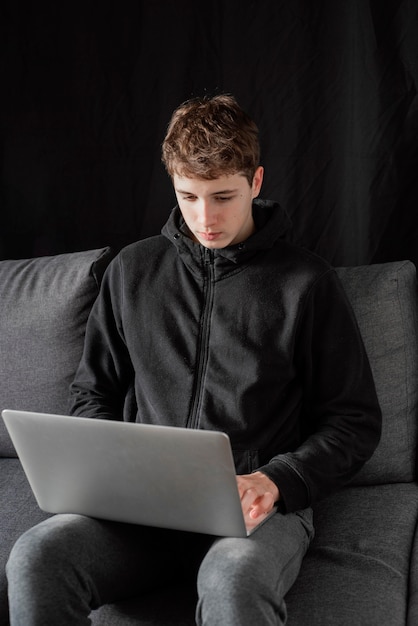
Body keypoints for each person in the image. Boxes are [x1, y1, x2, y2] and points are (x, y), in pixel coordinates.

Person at [6, 94, 382, 625]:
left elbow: (355, 421)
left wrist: (276, 480)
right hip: (141, 514)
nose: (206, 219)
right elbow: (93, 395)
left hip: (254, 513)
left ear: (256, 181)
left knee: (231, 581)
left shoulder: (308, 283)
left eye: (223, 196)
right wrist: (108, 475)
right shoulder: (132, 272)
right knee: (35, 556)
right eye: (189, 196)